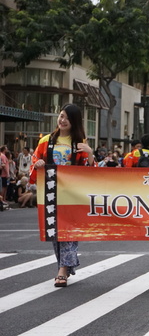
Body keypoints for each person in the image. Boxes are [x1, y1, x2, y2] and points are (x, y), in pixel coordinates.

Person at [30, 103, 95, 287]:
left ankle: (62, 270)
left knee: (69, 231)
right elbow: (35, 163)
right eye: (61, 116)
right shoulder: (46, 141)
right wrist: (39, 164)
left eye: (66, 117)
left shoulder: (80, 143)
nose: (62, 120)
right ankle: (65, 266)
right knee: (56, 232)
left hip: (72, 194)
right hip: (51, 193)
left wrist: (90, 153)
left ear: (74, 121)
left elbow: (90, 172)